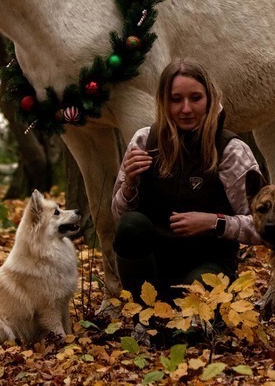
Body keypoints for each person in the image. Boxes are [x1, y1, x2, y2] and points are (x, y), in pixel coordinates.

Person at [111, 58, 262, 300]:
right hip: (156, 267)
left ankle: (195, 321)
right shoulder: (144, 141)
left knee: (189, 325)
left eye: (195, 98)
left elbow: (261, 226)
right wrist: (129, 182)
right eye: (176, 99)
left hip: (208, 267)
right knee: (131, 225)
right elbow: (120, 219)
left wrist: (215, 221)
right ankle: (142, 314)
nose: (186, 109)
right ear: (163, 101)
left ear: (209, 99)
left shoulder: (231, 150)